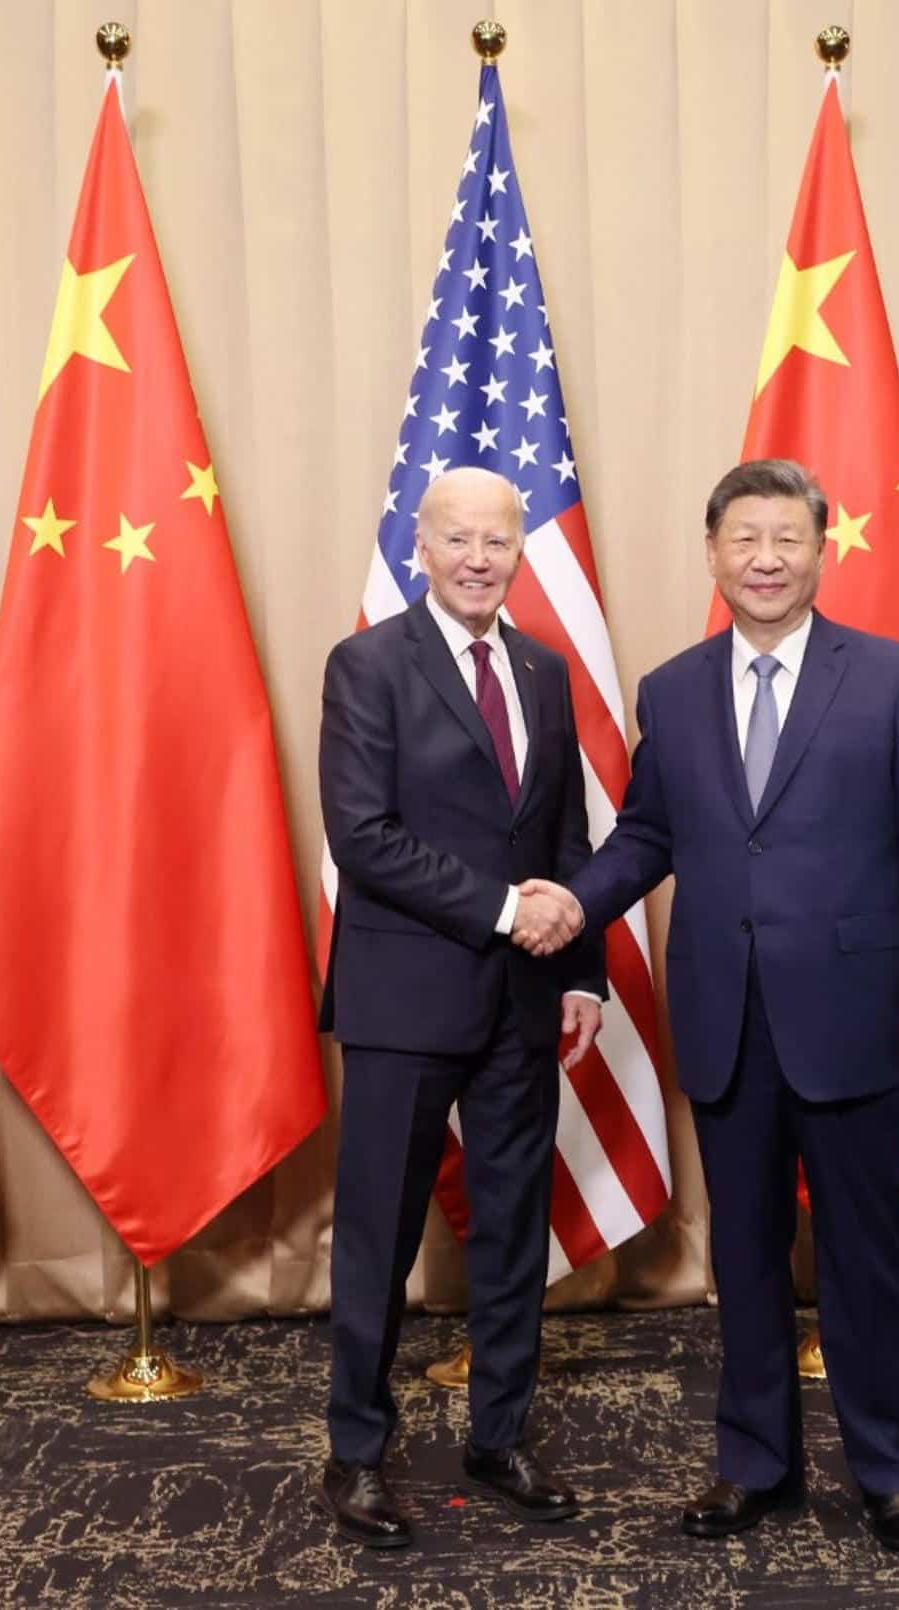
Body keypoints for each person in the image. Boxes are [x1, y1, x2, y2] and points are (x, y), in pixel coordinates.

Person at [520, 458, 899, 1554]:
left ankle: (889, 1471)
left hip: (861, 1010)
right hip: (725, 1014)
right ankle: (755, 1461)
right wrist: (569, 902)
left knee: (866, 1250)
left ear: (823, 549)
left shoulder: (893, 677)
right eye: (744, 539)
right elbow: (648, 834)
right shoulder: (671, 688)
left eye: (787, 539)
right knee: (746, 1251)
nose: (766, 559)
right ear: (712, 551)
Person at [317, 466, 602, 1549]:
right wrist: (499, 908)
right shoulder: (368, 665)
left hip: (526, 998)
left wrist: (582, 965)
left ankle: (501, 1435)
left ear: (520, 549)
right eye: (460, 539)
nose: (481, 557)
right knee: (379, 1237)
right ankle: (355, 1452)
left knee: (514, 1231)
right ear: (421, 548)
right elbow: (364, 837)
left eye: (500, 539)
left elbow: (565, 833)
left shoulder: (542, 668)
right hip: (404, 996)